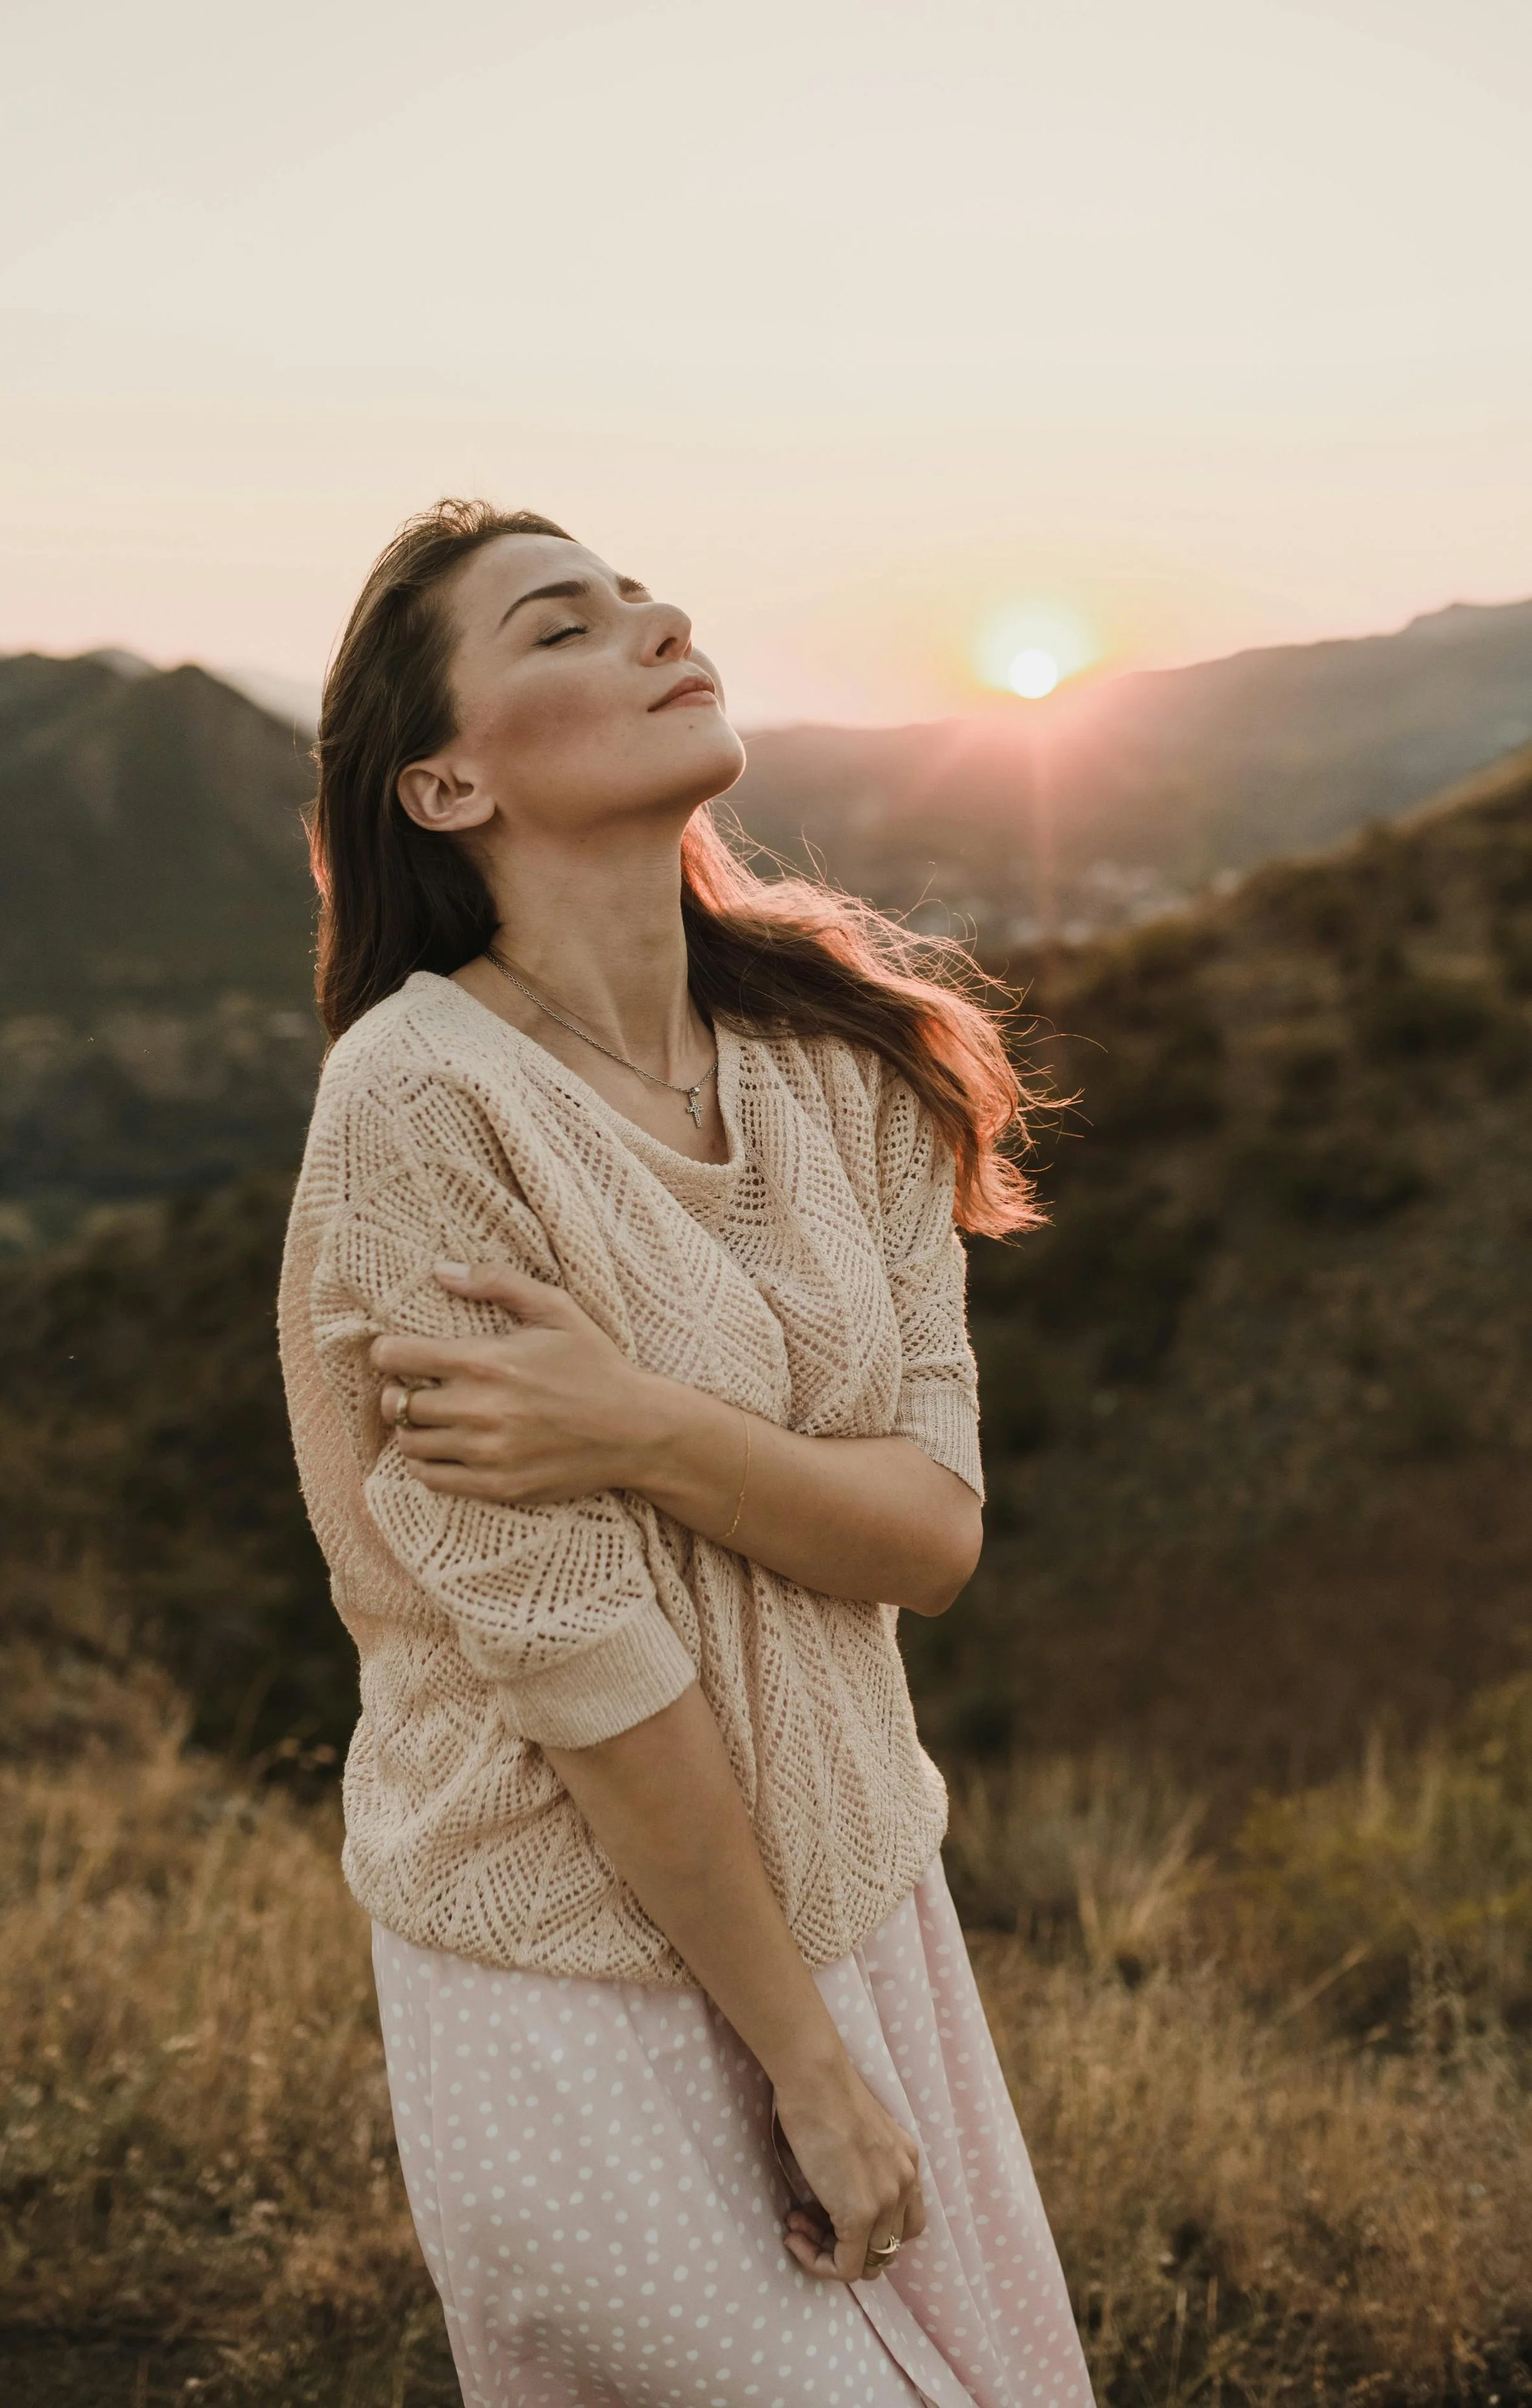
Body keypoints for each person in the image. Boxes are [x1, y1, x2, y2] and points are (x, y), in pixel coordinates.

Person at [278, 498, 1094, 2408]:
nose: (655, 623)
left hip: (864, 1915)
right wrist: (804, 2067)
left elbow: (929, 1538)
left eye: (642, 595)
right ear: (444, 785)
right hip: (576, 1973)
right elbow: (580, 1663)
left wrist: (639, 1426)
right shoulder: (418, 1106)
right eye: (563, 625)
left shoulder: (846, 1065)